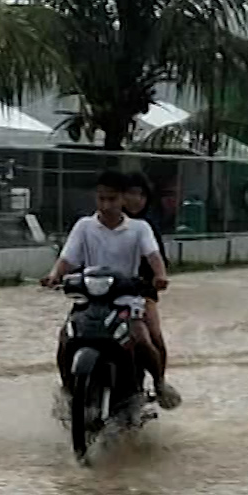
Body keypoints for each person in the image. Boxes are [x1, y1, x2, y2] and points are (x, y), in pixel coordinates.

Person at [42, 169, 180, 409]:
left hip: (126, 299)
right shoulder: (84, 226)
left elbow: (153, 255)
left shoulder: (140, 228)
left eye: (112, 199)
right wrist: (55, 275)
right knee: (66, 338)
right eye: (101, 198)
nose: (106, 205)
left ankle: (159, 383)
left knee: (143, 339)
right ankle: (67, 390)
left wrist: (160, 275)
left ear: (123, 199)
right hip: (89, 298)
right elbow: (68, 258)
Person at [119, 171, 173, 391]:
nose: (136, 200)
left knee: (154, 335)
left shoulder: (146, 227)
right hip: (102, 291)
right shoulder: (97, 223)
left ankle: (160, 383)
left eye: (141, 195)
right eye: (131, 193)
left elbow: (159, 259)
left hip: (140, 291)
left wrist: (157, 278)